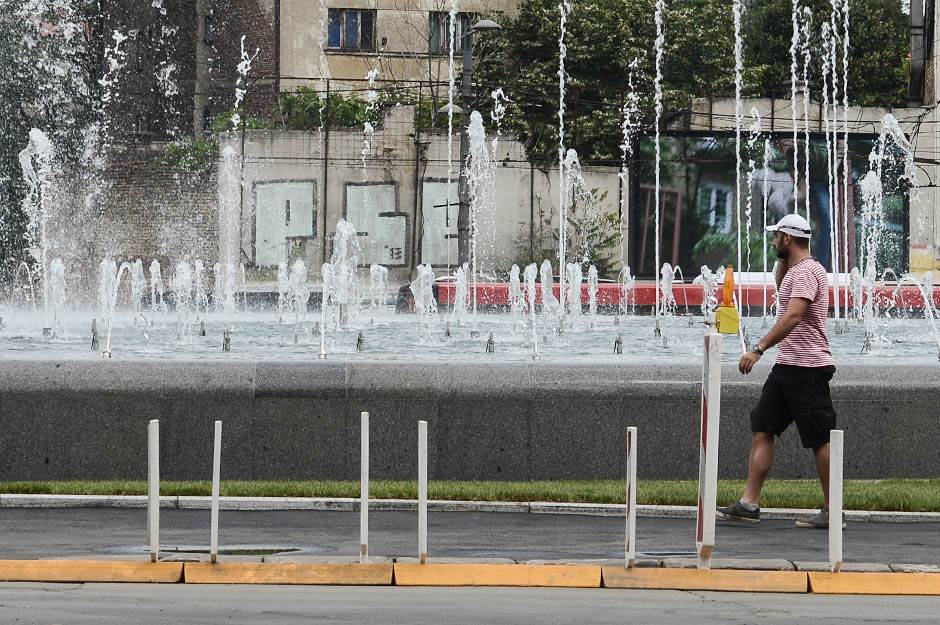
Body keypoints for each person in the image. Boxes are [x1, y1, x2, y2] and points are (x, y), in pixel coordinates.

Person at [716, 213, 844, 529]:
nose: (773, 241)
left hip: (807, 368)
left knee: (820, 438)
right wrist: (783, 260)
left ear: (787, 238)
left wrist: (758, 349)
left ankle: (833, 511)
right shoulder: (795, 271)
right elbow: (782, 288)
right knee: (763, 427)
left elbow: (793, 315)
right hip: (787, 366)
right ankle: (749, 504)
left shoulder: (807, 272)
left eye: (777, 237)